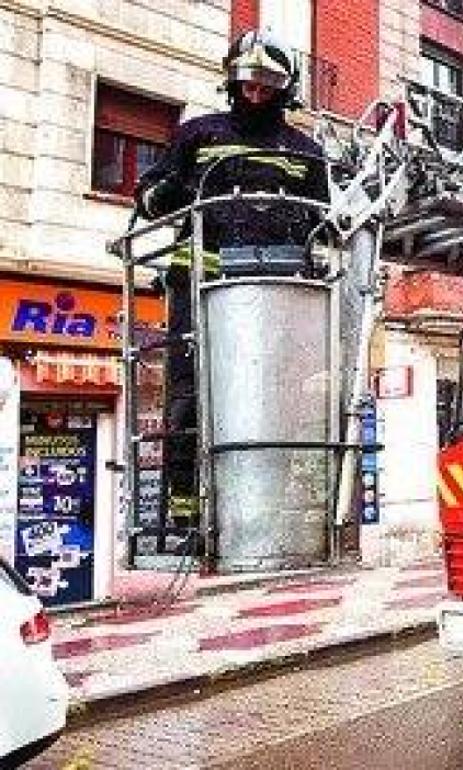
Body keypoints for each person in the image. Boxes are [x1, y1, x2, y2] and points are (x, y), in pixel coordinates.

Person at [133, 28, 329, 524]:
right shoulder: (197, 134)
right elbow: (150, 191)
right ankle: (184, 511)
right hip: (199, 277)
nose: (256, 93)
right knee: (189, 394)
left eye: (266, 85)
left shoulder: (306, 150)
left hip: (278, 290)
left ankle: (272, 505)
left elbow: (325, 221)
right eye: (248, 83)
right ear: (233, 83)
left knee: (279, 396)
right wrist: (161, 194)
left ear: (284, 89)